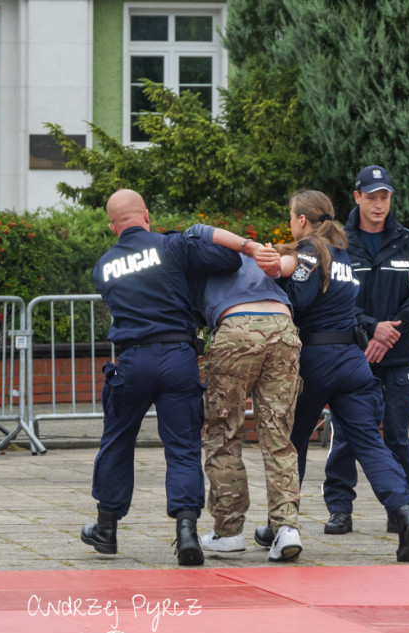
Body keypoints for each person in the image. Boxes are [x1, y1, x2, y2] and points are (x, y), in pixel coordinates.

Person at [80, 189, 269, 566]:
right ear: (146, 215)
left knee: (117, 441)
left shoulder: (104, 266)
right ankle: (186, 532)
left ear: (113, 226)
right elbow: (227, 261)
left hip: (132, 362)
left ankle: (106, 528)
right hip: (178, 358)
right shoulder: (173, 246)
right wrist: (194, 236)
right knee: (182, 445)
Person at [256, 189, 409, 562]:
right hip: (352, 361)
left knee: (291, 443)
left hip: (316, 359)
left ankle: (279, 524)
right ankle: (404, 513)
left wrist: (274, 282)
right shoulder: (342, 252)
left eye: (290, 216)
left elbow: (297, 300)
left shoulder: (311, 253)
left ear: (301, 220)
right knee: (370, 444)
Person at [322, 165, 409, 535]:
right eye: (371, 197)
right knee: (347, 434)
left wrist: (388, 333)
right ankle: (340, 510)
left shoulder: (407, 241)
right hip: (353, 354)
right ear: (357, 197)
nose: (378, 204)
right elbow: (336, 298)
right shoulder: (339, 244)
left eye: (384, 197)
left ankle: (402, 509)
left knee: (398, 434)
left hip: (396, 353)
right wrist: (372, 328)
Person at [191, 252, 305, 562]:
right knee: (279, 436)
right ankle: (286, 530)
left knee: (224, 434)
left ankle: (228, 533)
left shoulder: (197, 261)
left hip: (236, 329)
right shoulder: (256, 260)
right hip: (283, 327)